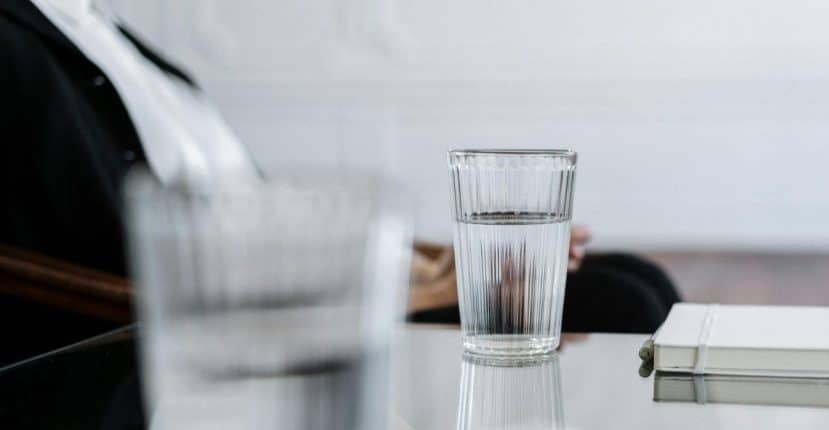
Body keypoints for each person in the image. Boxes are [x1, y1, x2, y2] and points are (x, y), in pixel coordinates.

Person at [0, 0, 681, 366]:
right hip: (261, 309)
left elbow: (248, 202)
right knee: (624, 303)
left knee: (641, 284)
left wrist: (440, 259)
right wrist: (449, 281)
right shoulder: (17, 38)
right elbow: (126, 248)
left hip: (299, 268)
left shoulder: (98, 27)